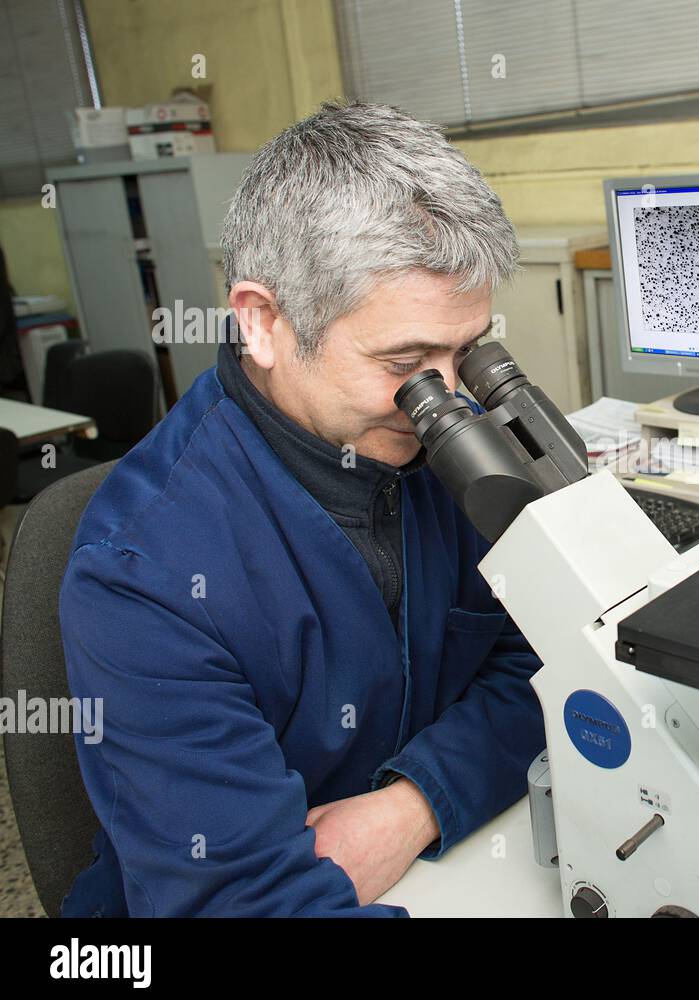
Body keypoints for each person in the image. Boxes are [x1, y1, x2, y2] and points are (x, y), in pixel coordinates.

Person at [59, 101, 545, 916]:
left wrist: (412, 802)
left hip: (436, 864)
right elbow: (242, 903)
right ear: (263, 322)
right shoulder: (139, 577)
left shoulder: (438, 443)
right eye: (407, 362)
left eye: (465, 353)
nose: (447, 399)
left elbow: (552, 655)